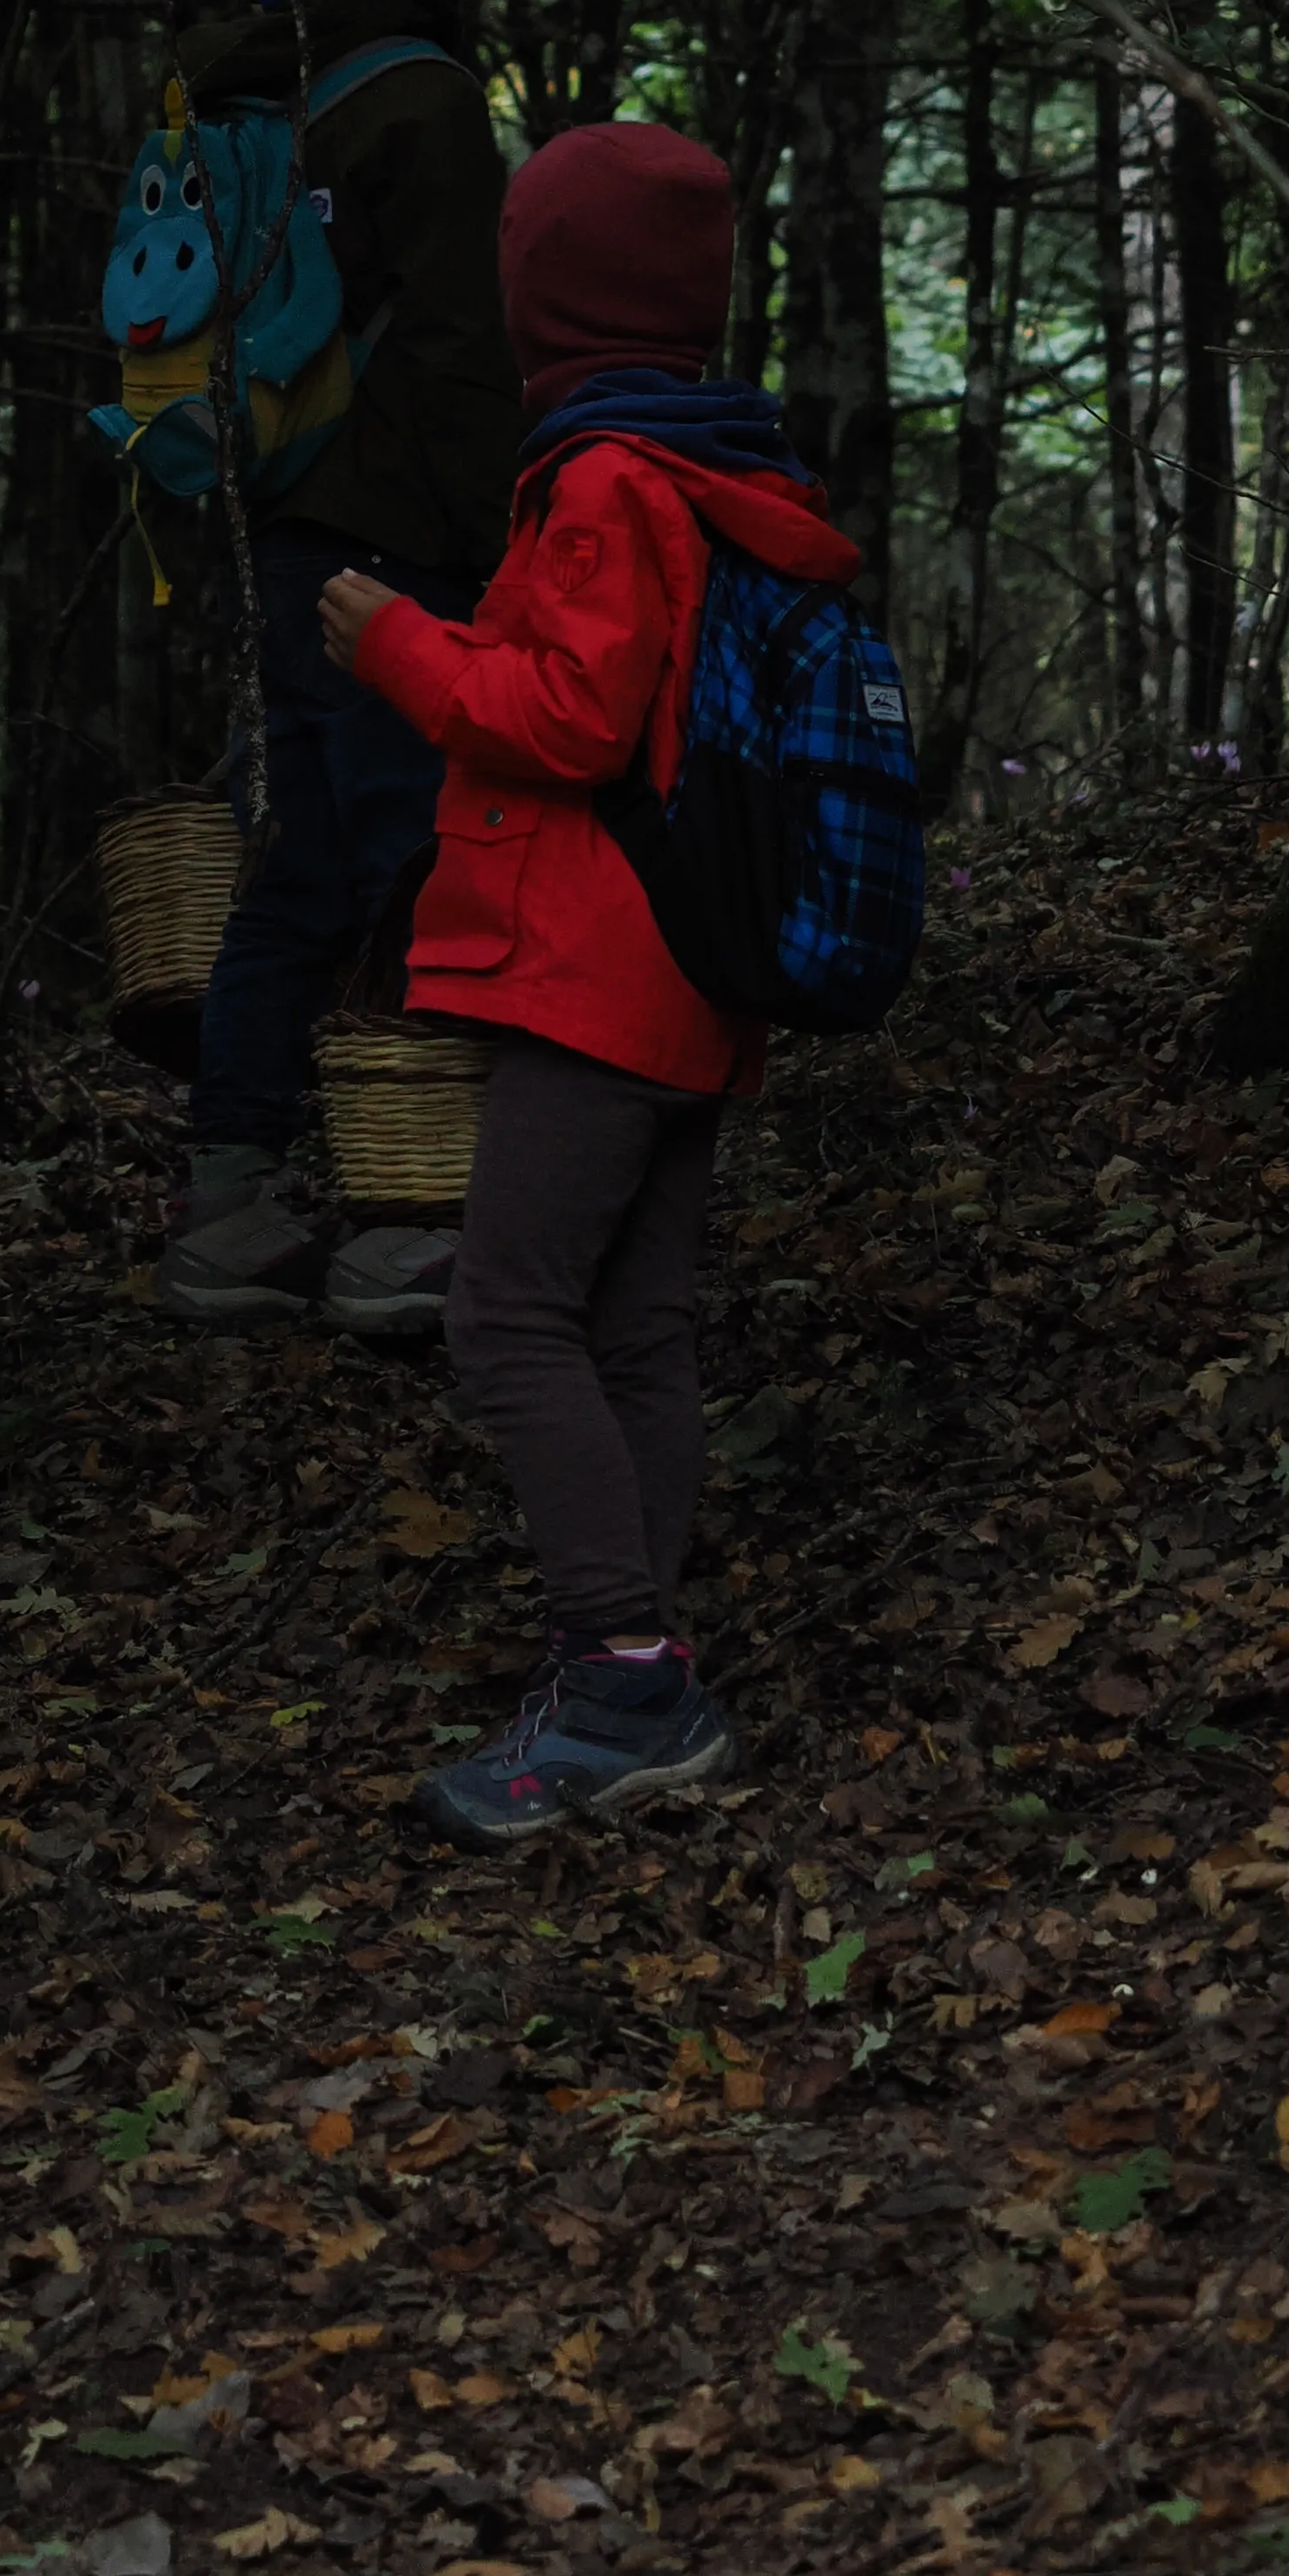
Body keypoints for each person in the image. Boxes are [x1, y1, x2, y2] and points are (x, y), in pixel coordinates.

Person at [320, 118, 860, 1844]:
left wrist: (395, 643)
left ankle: (623, 1675)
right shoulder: (710, 467)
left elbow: (565, 717)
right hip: (684, 971)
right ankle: (639, 1663)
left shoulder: (610, 482)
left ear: (546, 292)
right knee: (633, 1325)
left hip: (599, 975)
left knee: (506, 1312)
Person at [160, 0, 519, 1328]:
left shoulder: (246, 83)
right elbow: (461, 357)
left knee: (300, 861)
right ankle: (406, 1216)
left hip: (277, 533)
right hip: (394, 553)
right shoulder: (421, 99)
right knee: (413, 858)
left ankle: (229, 1204)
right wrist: (503, 557)